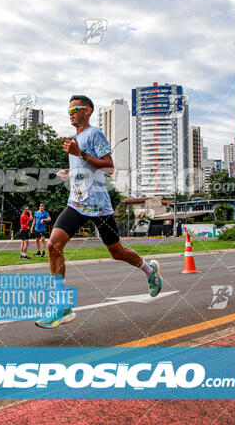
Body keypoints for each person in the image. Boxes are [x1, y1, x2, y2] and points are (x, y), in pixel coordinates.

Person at [35, 95, 162, 329]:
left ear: (88, 111)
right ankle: (61, 306)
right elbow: (85, 167)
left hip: (98, 205)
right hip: (76, 202)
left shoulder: (94, 134)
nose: (70, 112)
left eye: (75, 108)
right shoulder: (75, 138)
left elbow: (109, 166)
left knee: (117, 252)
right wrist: (70, 171)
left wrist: (80, 154)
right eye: (69, 108)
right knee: (53, 246)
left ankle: (149, 269)